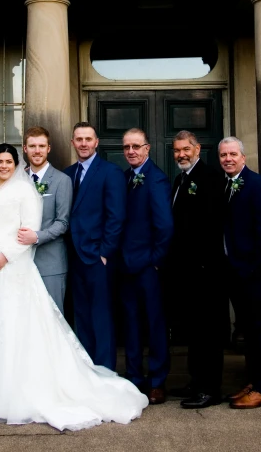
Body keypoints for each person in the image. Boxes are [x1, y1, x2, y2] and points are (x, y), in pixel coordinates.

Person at [0, 144, 148, 431]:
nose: (4, 166)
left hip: (11, 266)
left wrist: (5, 255)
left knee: (15, 327)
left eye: (9, 161)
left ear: (16, 164)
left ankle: (16, 393)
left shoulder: (24, 191)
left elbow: (29, 230)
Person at [168, 130, 226, 409]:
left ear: (197, 149)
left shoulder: (211, 178)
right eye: (177, 150)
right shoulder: (180, 179)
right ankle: (196, 380)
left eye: (185, 149)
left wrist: (203, 263)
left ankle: (210, 388)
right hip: (186, 271)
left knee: (208, 332)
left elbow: (213, 225)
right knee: (194, 331)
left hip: (206, 271)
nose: (181, 154)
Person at [64, 122, 127, 371]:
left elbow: (117, 216)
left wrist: (105, 252)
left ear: (96, 142)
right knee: (81, 317)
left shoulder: (110, 172)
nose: (83, 143)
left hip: (98, 258)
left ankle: (105, 372)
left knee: (102, 318)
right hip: (73, 257)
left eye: (88, 139)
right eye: (79, 139)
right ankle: (86, 372)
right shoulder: (67, 174)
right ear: (72, 143)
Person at [221, 137, 261, 410]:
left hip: (256, 276)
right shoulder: (227, 185)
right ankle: (253, 382)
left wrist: (256, 271)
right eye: (223, 155)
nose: (228, 159)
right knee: (250, 333)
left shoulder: (257, 184)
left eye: (232, 154)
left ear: (243, 156)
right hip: (236, 273)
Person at [120, 128, 173, 405]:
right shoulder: (125, 178)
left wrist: (155, 261)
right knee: (130, 325)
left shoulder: (156, 179)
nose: (131, 151)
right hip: (125, 267)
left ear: (147, 148)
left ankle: (156, 381)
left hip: (148, 268)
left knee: (154, 325)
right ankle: (133, 378)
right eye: (127, 147)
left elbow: (165, 226)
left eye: (136, 146)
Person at [17, 126, 73, 313]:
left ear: (49, 148)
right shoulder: (17, 181)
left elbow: (63, 222)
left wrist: (37, 237)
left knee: (51, 319)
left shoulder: (61, 180)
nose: (37, 150)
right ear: (25, 149)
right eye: (32, 146)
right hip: (19, 262)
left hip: (51, 263)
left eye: (42, 146)